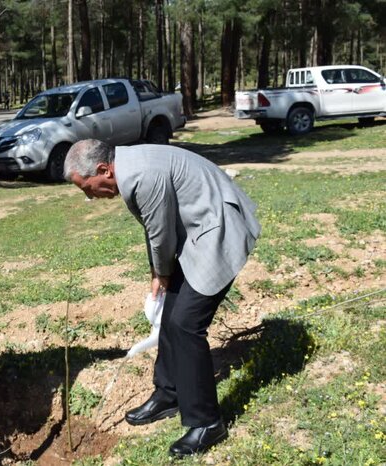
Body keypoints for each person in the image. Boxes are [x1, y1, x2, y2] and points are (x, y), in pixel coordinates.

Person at [64, 139, 261, 457]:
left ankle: (208, 423)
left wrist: (161, 272)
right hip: (196, 230)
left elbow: (160, 233)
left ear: (104, 169)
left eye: (88, 187)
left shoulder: (141, 175)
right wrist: (159, 272)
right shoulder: (130, 168)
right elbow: (156, 226)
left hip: (218, 227)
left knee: (185, 325)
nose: (89, 195)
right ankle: (169, 394)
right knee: (171, 314)